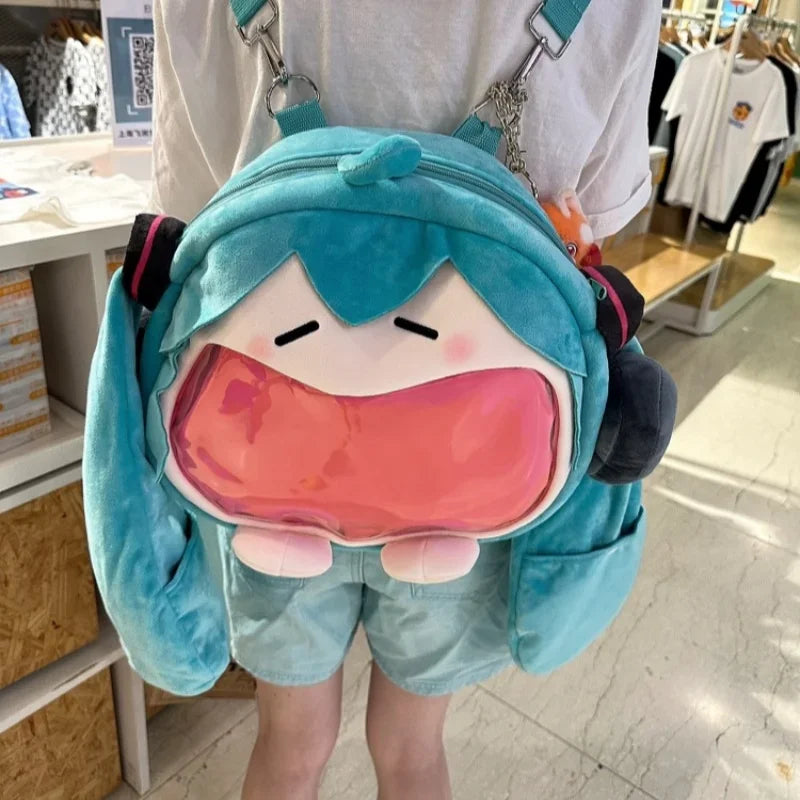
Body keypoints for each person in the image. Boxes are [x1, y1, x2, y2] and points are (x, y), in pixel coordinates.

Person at [151, 2, 660, 798]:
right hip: (467, 460)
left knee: (291, 743)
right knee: (412, 747)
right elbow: (590, 240)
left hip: (268, 452)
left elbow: (192, 217)